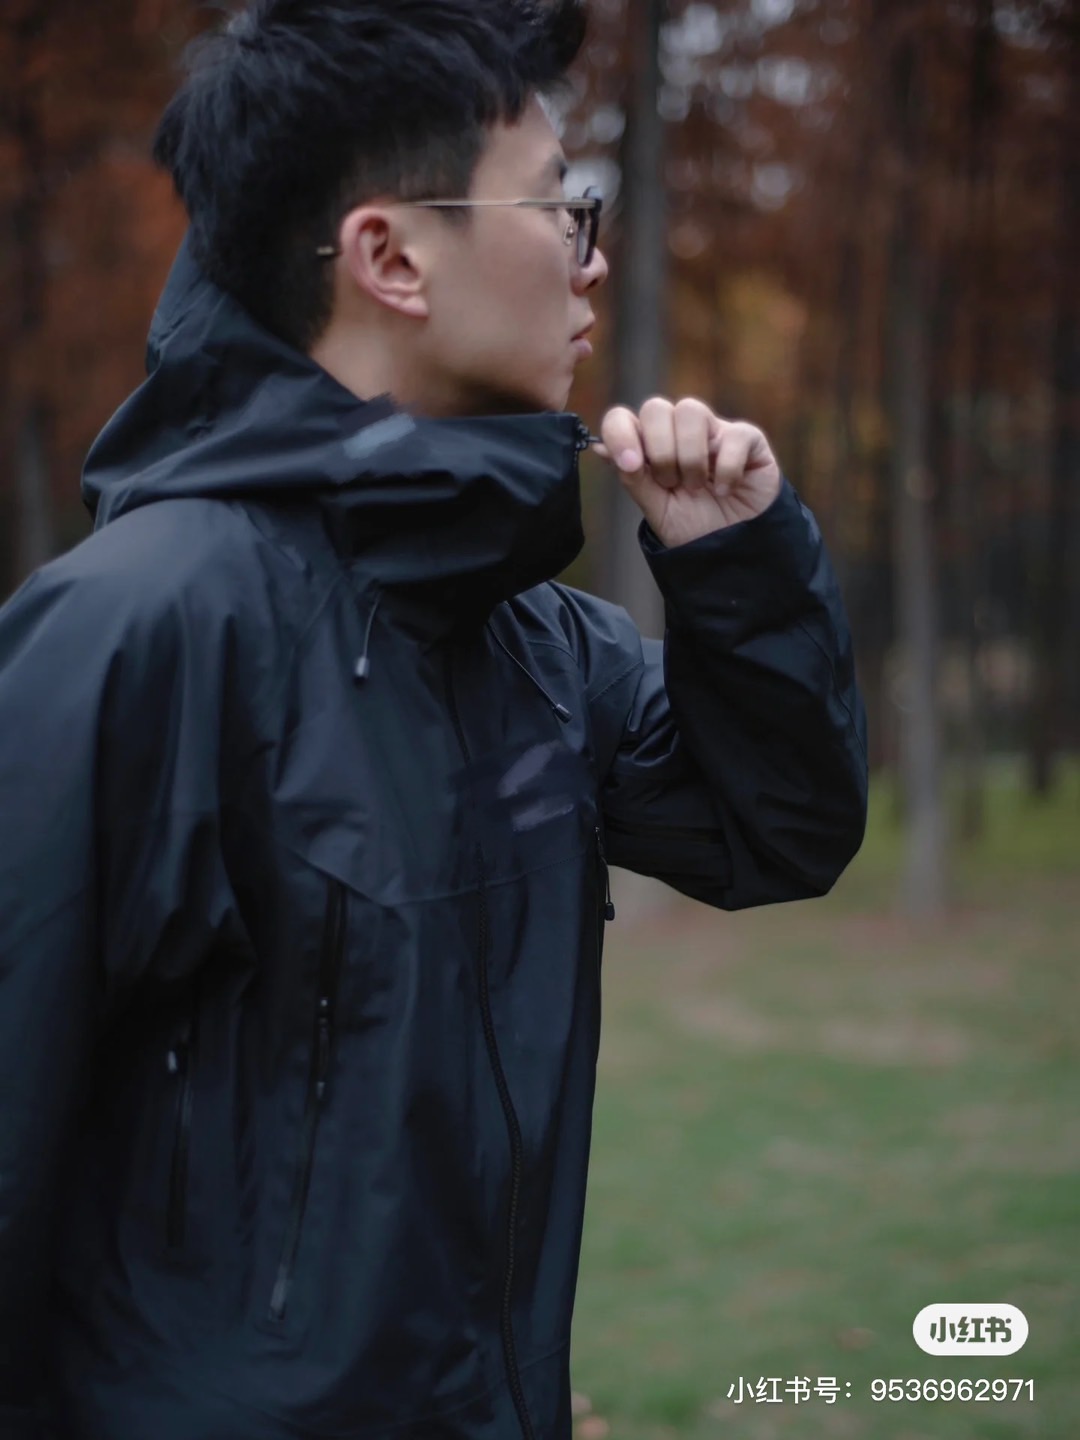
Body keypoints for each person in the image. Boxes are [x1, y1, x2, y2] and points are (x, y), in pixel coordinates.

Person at [0, 1, 868, 1436]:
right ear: (390, 257)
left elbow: (773, 831)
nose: (592, 258)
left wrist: (740, 569)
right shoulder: (138, 631)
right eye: (559, 207)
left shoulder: (538, 645)